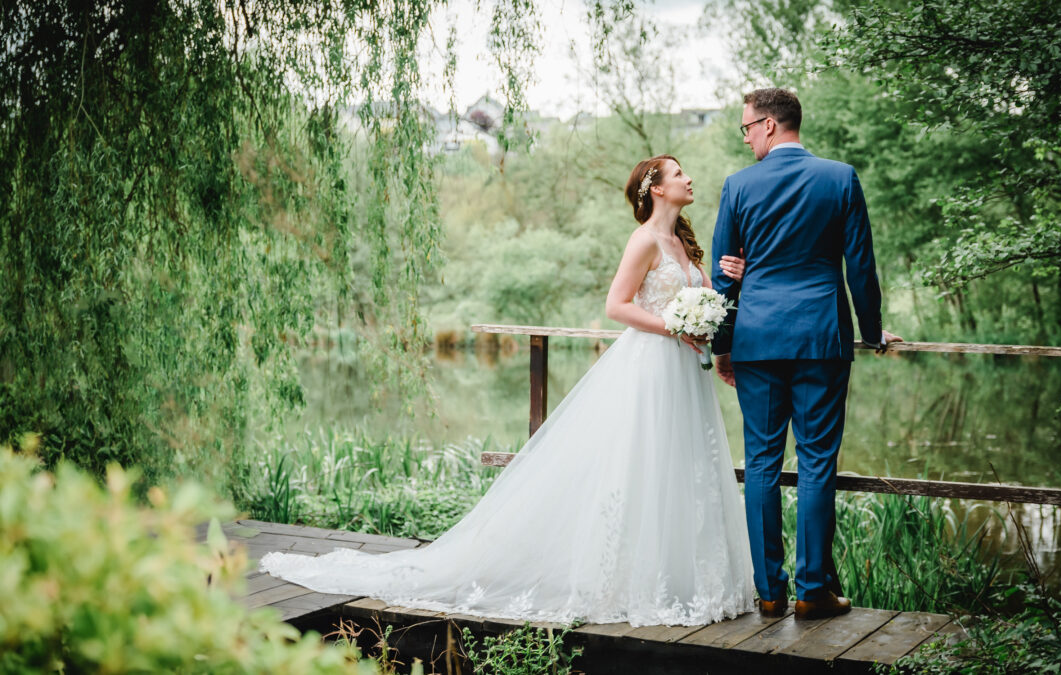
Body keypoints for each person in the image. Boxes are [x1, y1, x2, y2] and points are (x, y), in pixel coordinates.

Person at [260, 155, 756, 626]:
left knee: (679, 467)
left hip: (685, 369)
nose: (689, 179)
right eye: (679, 173)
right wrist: (672, 328)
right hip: (651, 365)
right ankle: (631, 581)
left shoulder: (684, 246)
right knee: (641, 464)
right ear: (656, 189)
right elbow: (617, 306)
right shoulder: (644, 240)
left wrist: (716, 296)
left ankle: (681, 580)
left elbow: (698, 300)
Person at [710, 88, 902, 620]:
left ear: (771, 125)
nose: (745, 136)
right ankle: (813, 590)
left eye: (747, 126)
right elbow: (861, 267)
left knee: (762, 463)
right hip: (821, 338)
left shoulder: (738, 186)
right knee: (817, 462)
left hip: (757, 340)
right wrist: (873, 332)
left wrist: (724, 347)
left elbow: (723, 278)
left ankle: (769, 591)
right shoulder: (840, 177)